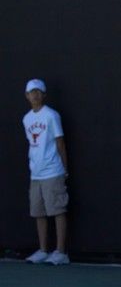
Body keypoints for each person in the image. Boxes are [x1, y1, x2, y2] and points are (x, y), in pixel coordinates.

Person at [22, 79, 70, 265]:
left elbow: (60, 142)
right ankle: (43, 250)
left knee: (57, 210)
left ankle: (61, 252)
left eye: (38, 91)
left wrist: (64, 168)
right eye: (31, 92)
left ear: (44, 94)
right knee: (38, 212)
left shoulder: (51, 115)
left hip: (53, 171)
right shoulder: (26, 118)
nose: (35, 95)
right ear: (26, 96)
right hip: (35, 174)